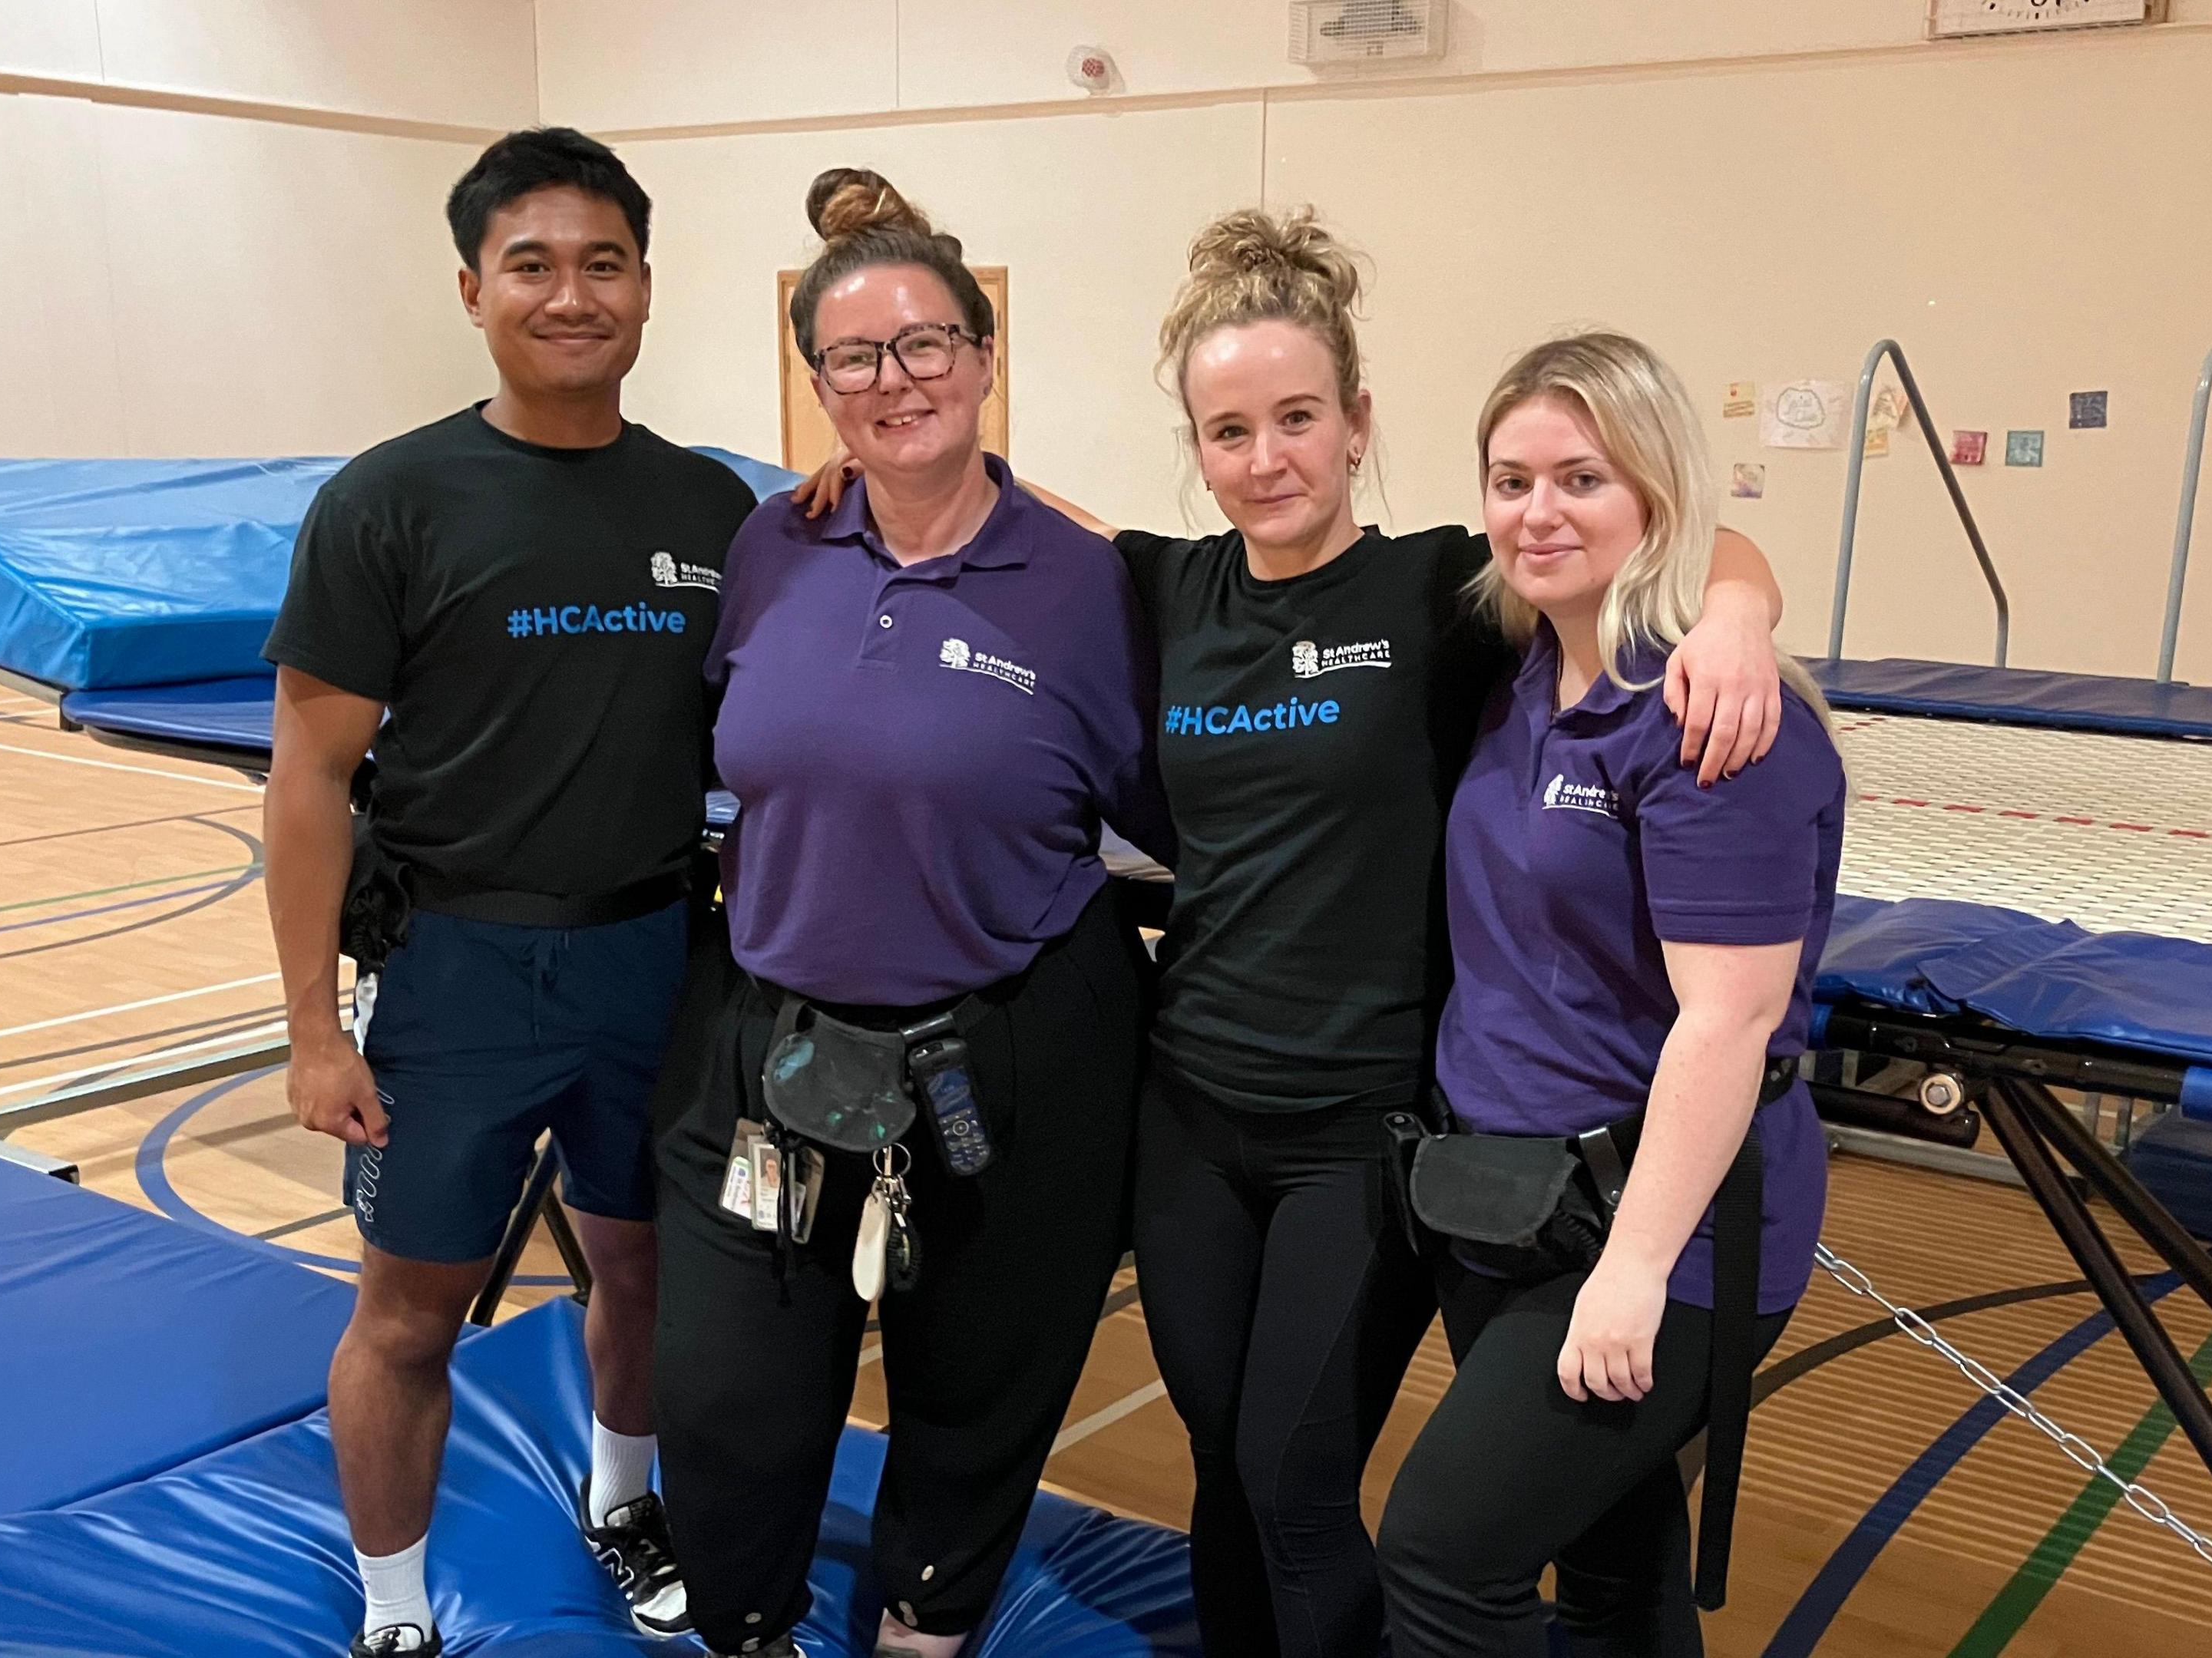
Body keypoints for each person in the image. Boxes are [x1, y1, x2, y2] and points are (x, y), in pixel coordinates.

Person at [789, 206, 1790, 1658]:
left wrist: (1742, 615)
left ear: (1358, 420)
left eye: (1298, 420)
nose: (1267, 461)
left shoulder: (1446, 591)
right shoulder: (1163, 586)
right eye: (1230, 431)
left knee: (1294, 1478)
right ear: (1197, 446)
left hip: (1364, 1133)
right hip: (1192, 1113)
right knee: (1222, 1471)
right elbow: (988, 504)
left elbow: (1673, 534)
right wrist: (865, 458)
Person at [650, 168, 1173, 1658]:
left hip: (1015, 1049)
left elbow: (1176, 813)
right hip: (774, 1037)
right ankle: (746, 1626)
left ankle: (923, 1633)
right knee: (734, 1392)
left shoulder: (1091, 587)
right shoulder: (772, 548)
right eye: (857, 357)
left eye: (928, 343)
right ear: (816, 383)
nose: (897, 380)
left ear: (985, 354)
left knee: (979, 1384)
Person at [261, 127, 752, 1658]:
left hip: (656, 961)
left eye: (602, 263)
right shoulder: (390, 501)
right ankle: (396, 1607)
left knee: (647, 1270)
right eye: (532, 265)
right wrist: (308, 1034)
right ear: (473, 288)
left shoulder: (711, 509)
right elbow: (307, 778)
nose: (569, 292)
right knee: (409, 1318)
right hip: (460, 971)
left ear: (647, 289)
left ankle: (625, 1502)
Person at [1371, 332, 1843, 1658]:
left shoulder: (1711, 721)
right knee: (1618, 1566)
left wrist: (1632, 1273)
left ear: (1655, 497)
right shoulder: (1523, 672)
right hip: (1511, 1199)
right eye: (1510, 480)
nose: (1539, 513)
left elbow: (1729, 1020)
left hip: (1660, 1231)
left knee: (1442, 1563)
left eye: (1582, 478)